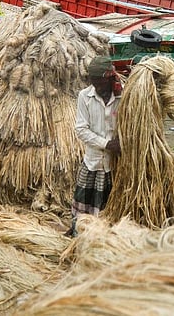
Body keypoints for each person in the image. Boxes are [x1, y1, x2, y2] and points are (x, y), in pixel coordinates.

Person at [68, 55, 121, 237]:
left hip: (116, 163)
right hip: (93, 161)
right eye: (93, 81)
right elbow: (81, 130)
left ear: (109, 78)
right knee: (84, 203)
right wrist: (107, 144)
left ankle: (105, 236)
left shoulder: (122, 96)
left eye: (99, 81)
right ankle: (80, 232)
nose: (96, 86)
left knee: (110, 204)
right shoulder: (85, 96)